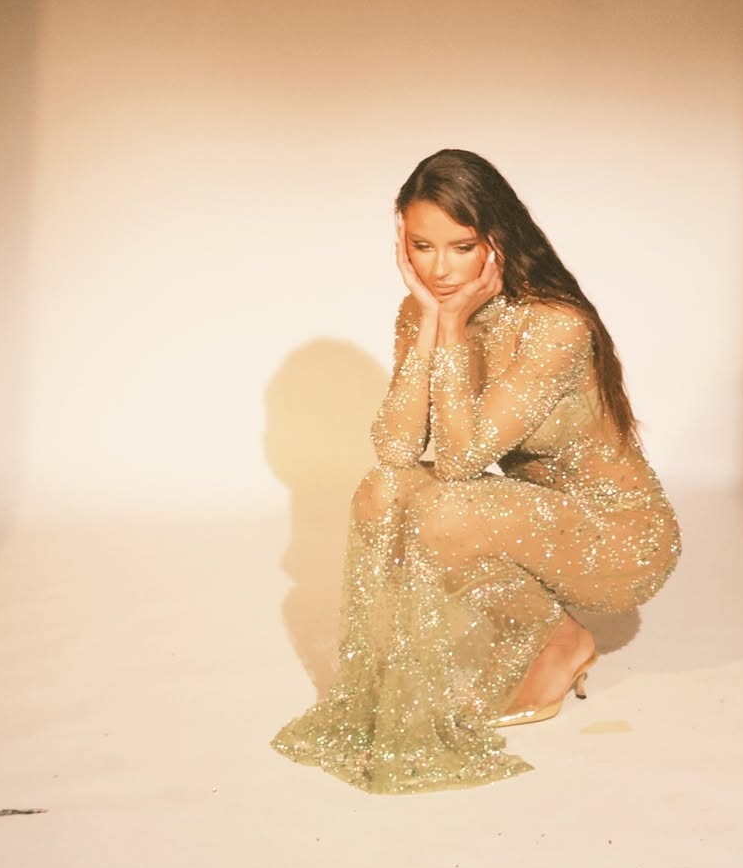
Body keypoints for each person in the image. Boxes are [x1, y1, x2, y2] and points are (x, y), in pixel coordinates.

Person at [271, 149, 681, 793]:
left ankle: (558, 644)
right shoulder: (423, 310)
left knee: (445, 506)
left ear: (497, 238)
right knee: (382, 493)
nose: (438, 269)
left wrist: (454, 325)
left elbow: (461, 461)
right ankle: (549, 638)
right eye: (421, 246)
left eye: (460, 247)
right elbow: (396, 451)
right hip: (529, 518)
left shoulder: (556, 325)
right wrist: (431, 324)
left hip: (617, 537)